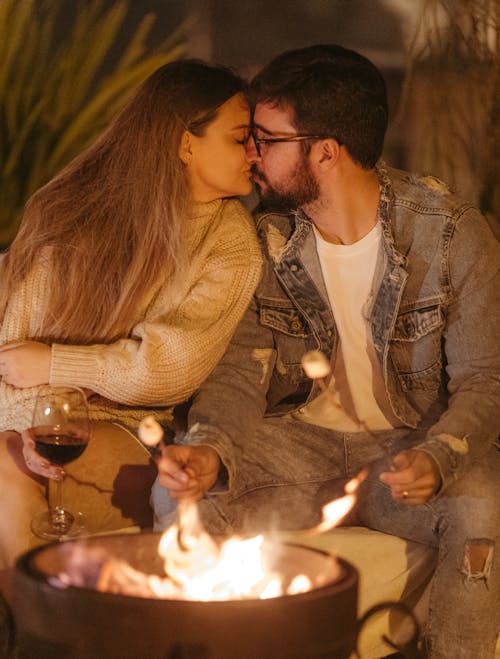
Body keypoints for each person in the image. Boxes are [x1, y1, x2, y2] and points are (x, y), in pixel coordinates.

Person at [155, 45, 500, 658]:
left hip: (402, 452)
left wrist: (441, 458)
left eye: (266, 138)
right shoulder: (262, 237)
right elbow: (239, 368)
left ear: (325, 152)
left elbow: (485, 379)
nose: (252, 155)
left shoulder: (451, 235)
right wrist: (210, 447)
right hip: (297, 448)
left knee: (483, 506)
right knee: (185, 486)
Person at [0, 59, 262, 568]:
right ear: (186, 144)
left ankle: (44, 638)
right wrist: (22, 427)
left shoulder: (231, 244)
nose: (254, 152)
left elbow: (168, 369)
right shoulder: (71, 211)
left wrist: (57, 364)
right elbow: (13, 349)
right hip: (30, 420)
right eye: (239, 138)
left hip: (135, 428)